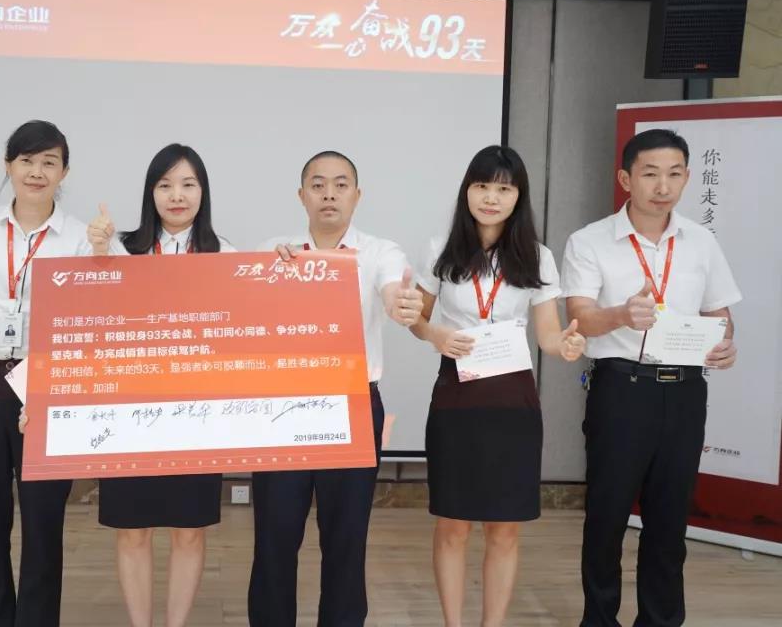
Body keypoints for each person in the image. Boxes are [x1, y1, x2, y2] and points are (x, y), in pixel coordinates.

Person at [562, 128, 740, 627]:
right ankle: (599, 619)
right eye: (650, 174)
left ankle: (660, 620)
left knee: (669, 519)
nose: (663, 186)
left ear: (687, 178)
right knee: (607, 516)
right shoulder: (590, 241)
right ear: (626, 179)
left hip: (685, 392)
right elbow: (579, 317)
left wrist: (726, 342)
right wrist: (621, 314)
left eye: (674, 174)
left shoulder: (701, 241)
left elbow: (720, 314)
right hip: (622, 390)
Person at [409, 145, 585, 627]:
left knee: (504, 529)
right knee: (452, 524)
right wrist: (434, 335)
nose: (491, 198)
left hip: (512, 401)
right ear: (467, 190)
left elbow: (548, 336)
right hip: (457, 395)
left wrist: (567, 345)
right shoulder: (440, 248)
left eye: (503, 189)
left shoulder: (538, 257)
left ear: (518, 197)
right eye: (482, 186)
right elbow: (417, 319)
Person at [246, 150, 423, 627]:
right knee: (275, 536)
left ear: (357, 196)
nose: (329, 194)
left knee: (346, 538)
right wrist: (268, 275)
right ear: (301, 195)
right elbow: (245, 314)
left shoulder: (381, 252)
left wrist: (400, 303)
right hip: (283, 406)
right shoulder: (273, 249)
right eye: (318, 184)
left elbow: (391, 289)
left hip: (352, 404)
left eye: (341, 185)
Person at [0, 120, 93, 627]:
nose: (36, 171)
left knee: (44, 524)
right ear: (8, 166)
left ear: (64, 172)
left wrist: (102, 253)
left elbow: (93, 319)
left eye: (49, 162)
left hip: (46, 384)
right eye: (26, 160)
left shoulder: (81, 238)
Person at [85, 142, 233, 627]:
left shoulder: (226, 256)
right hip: (130, 412)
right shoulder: (120, 249)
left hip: (197, 414)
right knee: (132, 530)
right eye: (165, 185)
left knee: (189, 531)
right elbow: (91, 316)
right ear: (150, 192)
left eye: (188, 184)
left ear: (203, 192)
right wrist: (98, 255)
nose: (177, 195)